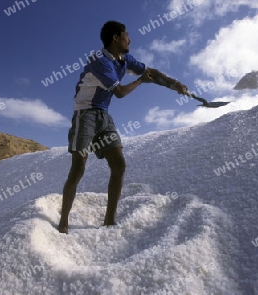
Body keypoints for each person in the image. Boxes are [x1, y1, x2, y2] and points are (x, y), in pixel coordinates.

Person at [58, 20, 188, 234]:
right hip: (86, 114)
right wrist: (140, 82)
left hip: (104, 116)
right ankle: (63, 221)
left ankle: (109, 220)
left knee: (119, 165)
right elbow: (119, 93)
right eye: (127, 35)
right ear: (116, 38)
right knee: (78, 167)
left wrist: (174, 84)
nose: (130, 39)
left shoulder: (125, 59)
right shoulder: (98, 60)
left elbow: (151, 72)